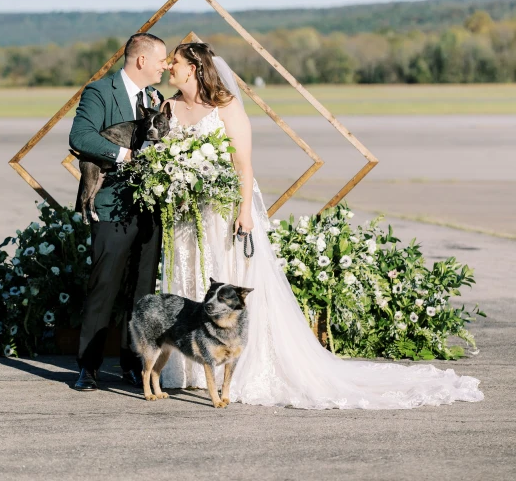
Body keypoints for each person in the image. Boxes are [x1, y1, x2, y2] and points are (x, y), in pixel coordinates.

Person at [159, 42, 483, 409]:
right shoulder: (168, 107)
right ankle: (191, 370)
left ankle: (235, 364)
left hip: (224, 209)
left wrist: (245, 210)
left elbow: (243, 164)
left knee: (224, 277)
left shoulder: (225, 106)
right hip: (186, 215)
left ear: (195, 68)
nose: (170, 67)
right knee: (191, 278)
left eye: (176, 62)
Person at [69, 32, 168, 391]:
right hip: (111, 207)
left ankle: (132, 364)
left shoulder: (156, 99)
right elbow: (80, 137)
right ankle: (89, 367)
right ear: (141, 60)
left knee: (142, 293)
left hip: (149, 212)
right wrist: (126, 156)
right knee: (104, 286)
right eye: (161, 60)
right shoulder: (99, 91)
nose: (166, 66)